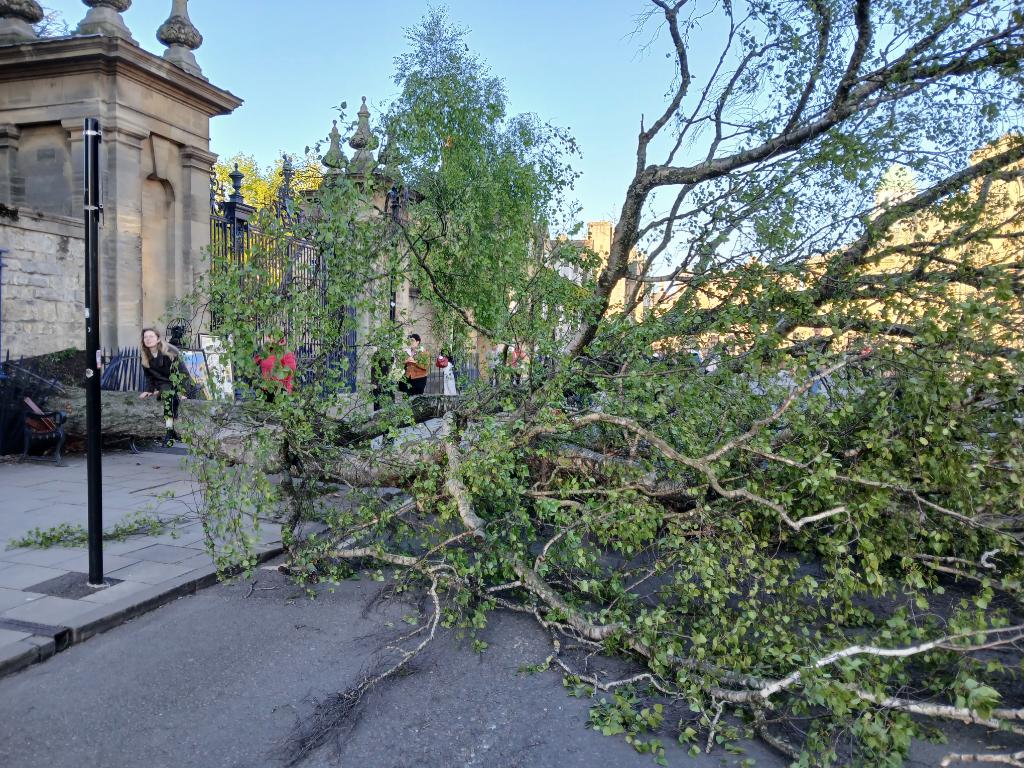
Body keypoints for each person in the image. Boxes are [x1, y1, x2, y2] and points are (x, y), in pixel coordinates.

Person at [139, 327, 191, 446]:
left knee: (169, 397)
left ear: (158, 339)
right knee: (167, 394)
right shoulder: (145, 356)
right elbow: (150, 377)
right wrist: (149, 390)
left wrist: (183, 392)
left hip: (178, 383)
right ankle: (170, 432)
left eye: (151, 336)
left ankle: (169, 433)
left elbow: (184, 373)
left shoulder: (169, 351)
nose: (148, 339)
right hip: (164, 385)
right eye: (145, 337)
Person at [254, 336, 297, 403]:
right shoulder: (266, 352)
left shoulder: (285, 353)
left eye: (270, 337)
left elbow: (291, 370)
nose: (267, 339)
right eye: (267, 337)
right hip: (265, 391)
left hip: (280, 391)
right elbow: (255, 362)